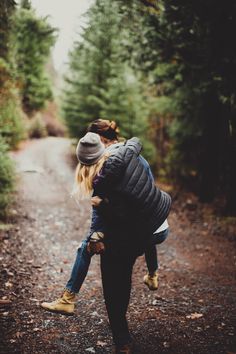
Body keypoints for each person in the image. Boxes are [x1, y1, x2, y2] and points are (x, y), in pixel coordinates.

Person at [41, 122, 171, 353]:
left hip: (134, 230)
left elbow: (116, 214)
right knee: (123, 269)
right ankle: (151, 275)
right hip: (156, 221)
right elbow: (142, 190)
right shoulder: (128, 152)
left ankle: (122, 340)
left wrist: (96, 235)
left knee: (113, 281)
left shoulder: (103, 180)